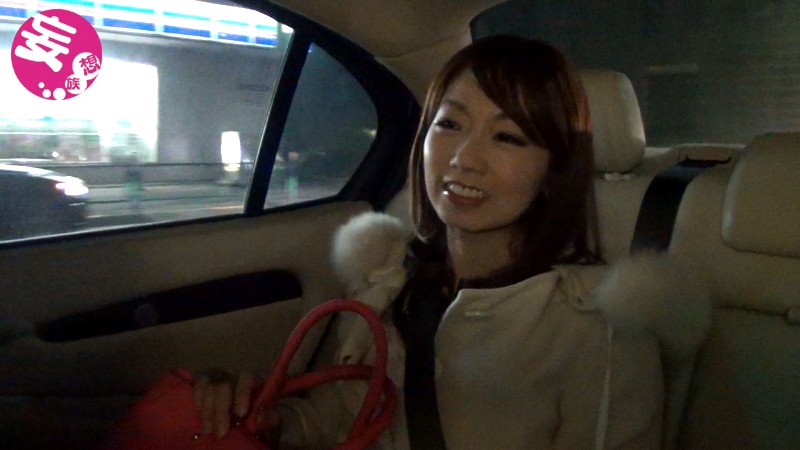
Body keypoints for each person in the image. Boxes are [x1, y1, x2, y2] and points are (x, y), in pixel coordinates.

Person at [193, 35, 711, 449]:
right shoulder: (388, 284)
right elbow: (341, 420)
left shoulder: (601, 330)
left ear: (553, 171)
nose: (464, 158)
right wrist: (265, 418)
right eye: (449, 123)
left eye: (507, 137)